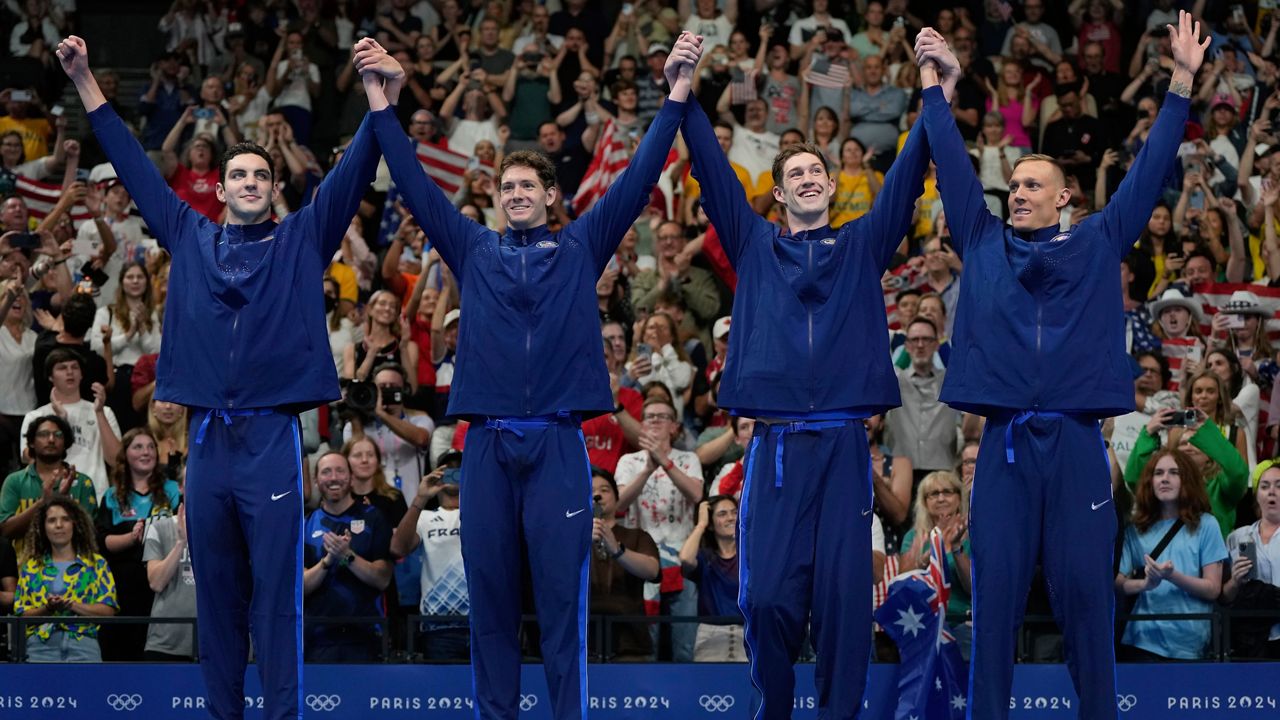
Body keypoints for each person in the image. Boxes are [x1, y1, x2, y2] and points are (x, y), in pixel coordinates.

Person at [359, 29, 698, 717]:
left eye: (527, 185)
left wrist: (677, 93)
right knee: (489, 605)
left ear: (550, 196)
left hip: (556, 449)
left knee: (560, 607)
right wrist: (378, 102)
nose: (514, 193)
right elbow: (417, 185)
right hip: (483, 445)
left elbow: (636, 180)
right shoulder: (472, 246)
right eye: (506, 185)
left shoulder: (580, 245)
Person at [57, 33, 384, 720]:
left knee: (276, 595)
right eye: (237, 175)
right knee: (219, 593)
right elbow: (130, 163)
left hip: (269, 439)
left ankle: (283, 714)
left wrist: (379, 97)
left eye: (260, 177)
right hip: (207, 440)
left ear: (273, 189)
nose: (248, 184)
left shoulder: (301, 240)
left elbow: (353, 174)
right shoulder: (188, 232)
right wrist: (87, 81)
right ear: (222, 187)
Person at [914, 13, 1206, 718]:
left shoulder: (1100, 240)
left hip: (1076, 447)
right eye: (1012, 184)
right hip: (1007, 448)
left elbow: (1149, 169)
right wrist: (932, 85)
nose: (1017, 192)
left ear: (1065, 197)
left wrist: (1182, 83)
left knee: (1086, 611)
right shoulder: (982, 240)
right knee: (995, 618)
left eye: (1032, 184)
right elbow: (950, 158)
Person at [678, 24, 940, 719]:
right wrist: (686, 94)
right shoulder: (754, 243)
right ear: (778, 192)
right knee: (764, 599)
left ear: (831, 186)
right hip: (777, 449)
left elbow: (910, 173)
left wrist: (933, 88)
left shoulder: (863, 244)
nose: (805, 180)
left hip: (847, 448)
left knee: (845, 606)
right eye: (792, 174)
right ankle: (774, 705)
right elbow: (709, 167)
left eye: (814, 173)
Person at [1116, 449, 1225, 660]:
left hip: (1190, 643)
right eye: (1158, 473)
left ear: (1188, 480)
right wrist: (1144, 584)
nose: (1165, 479)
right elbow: (1116, 582)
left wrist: (1172, 576)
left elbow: (1213, 588)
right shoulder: (1134, 530)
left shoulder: (1207, 525)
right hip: (1141, 640)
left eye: (1174, 472)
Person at [95, 427, 181, 661]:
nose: (146, 452)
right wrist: (132, 537)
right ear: (125, 455)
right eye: (138, 447)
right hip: (123, 586)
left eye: (151, 447)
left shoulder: (172, 490)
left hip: (163, 584)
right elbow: (102, 542)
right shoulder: (113, 496)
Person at [302, 452, 393, 663]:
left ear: (351, 478)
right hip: (318, 638)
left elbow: (382, 579)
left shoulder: (373, 517)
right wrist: (328, 561)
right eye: (326, 472)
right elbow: (301, 587)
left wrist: (347, 556)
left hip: (366, 635)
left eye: (340, 471)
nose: (333, 477)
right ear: (316, 481)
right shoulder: (306, 524)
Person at [13, 496, 117, 662]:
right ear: (43, 527)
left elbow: (108, 611)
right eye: (52, 520)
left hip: (84, 646)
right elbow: (21, 615)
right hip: (40, 648)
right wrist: (48, 608)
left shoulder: (96, 564)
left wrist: (73, 605)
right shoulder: (32, 567)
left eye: (65, 519)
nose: (59, 525)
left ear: (75, 524)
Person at [21, 347, 121, 515]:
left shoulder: (103, 411)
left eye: (74, 367)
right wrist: (61, 421)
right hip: (52, 497)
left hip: (95, 495)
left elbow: (116, 460)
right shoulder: (36, 416)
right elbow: (27, 457)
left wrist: (99, 413)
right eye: (62, 368)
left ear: (81, 374)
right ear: (51, 377)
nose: (70, 372)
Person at [391, 463, 470, 661]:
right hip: (438, 627)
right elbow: (398, 548)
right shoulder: (425, 517)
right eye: (447, 471)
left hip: (482, 624)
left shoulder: (481, 513)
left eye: (458, 471)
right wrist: (421, 498)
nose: (453, 475)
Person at [588, 465, 660, 661]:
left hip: (630, 642)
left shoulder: (637, 536)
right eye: (591, 491)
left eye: (604, 490)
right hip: (584, 642)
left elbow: (652, 570)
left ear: (617, 497)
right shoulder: (571, 539)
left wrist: (617, 550)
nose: (597, 495)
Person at [0, 414, 97, 557]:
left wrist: (62, 503)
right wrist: (43, 503)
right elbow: (5, 531)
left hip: (75, 571)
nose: (51, 439)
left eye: (58, 435)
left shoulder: (82, 482)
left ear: (65, 443)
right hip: (26, 571)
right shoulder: (15, 481)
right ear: (31, 442)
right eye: (44, 434)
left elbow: (90, 534)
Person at [1221, 462, 1280, 659]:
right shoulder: (1236, 537)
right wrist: (1235, 581)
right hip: (1252, 640)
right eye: (1264, 486)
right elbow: (1225, 597)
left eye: (1279, 486)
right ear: (1256, 495)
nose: (1271, 492)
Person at [677, 495, 743, 662]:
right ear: (711, 525)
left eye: (734, 512)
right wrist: (701, 524)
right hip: (710, 635)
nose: (730, 517)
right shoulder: (705, 558)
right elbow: (685, 558)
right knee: (710, 688)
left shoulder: (750, 556)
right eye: (722, 514)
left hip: (748, 633)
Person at [142, 500, 196, 661]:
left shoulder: (226, 528)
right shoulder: (159, 528)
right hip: (166, 644)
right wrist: (181, 543)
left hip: (215, 642)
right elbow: (156, 583)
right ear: (181, 487)